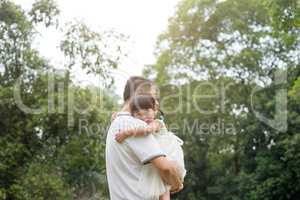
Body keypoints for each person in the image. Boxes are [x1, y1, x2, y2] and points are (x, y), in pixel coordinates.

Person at [105, 76, 183, 200]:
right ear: (140, 96)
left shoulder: (117, 123)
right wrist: (177, 183)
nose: (156, 103)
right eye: (153, 98)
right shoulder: (132, 124)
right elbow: (166, 168)